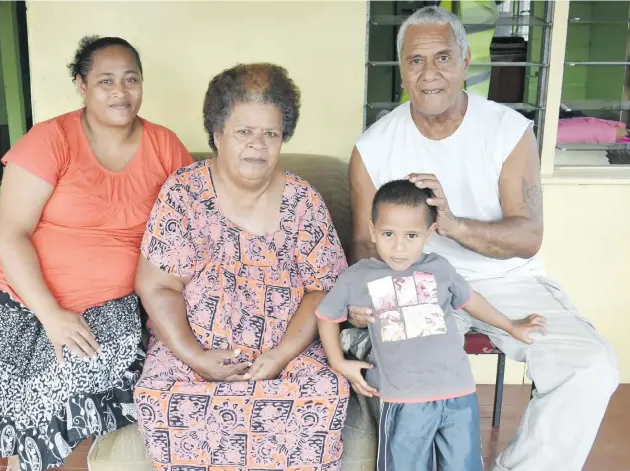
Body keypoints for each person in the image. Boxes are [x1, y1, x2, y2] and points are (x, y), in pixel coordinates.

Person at [0, 35, 194, 471]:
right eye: (106, 81)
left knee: (69, 376)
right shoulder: (50, 139)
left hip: (110, 303)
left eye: (131, 79)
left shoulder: (164, 145)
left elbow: (192, 223)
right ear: (81, 84)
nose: (121, 91)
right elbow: (10, 235)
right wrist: (51, 315)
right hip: (18, 293)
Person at [347, 6, 620, 471]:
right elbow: (364, 246)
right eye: (415, 60)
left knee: (591, 367)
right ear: (401, 69)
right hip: (419, 285)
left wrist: (452, 224)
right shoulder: (373, 148)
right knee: (412, 368)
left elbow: (527, 236)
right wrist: (366, 298)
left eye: (442, 58)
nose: (429, 73)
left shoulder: (508, 131)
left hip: (509, 280)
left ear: (467, 59)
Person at [134, 63, 349, 470]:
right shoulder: (184, 194)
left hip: (285, 352)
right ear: (217, 134)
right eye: (244, 132)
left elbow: (325, 288)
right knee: (163, 397)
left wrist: (282, 355)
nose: (258, 145)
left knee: (323, 394)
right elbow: (157, 286)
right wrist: (196, 357)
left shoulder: (304, 202)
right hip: (193, 350)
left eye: (270, 133)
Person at [317, 179, 546, 471]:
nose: (399, 247)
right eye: (388, 234)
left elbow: (470, 300)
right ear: (373, 232)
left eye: (411, 235)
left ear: (429, 234)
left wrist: (511, 326)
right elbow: (326, 316)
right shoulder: (358, 276)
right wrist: (339, 362)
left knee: (463, 466)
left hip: (458, 394)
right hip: (403, 400)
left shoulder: (439, 268)